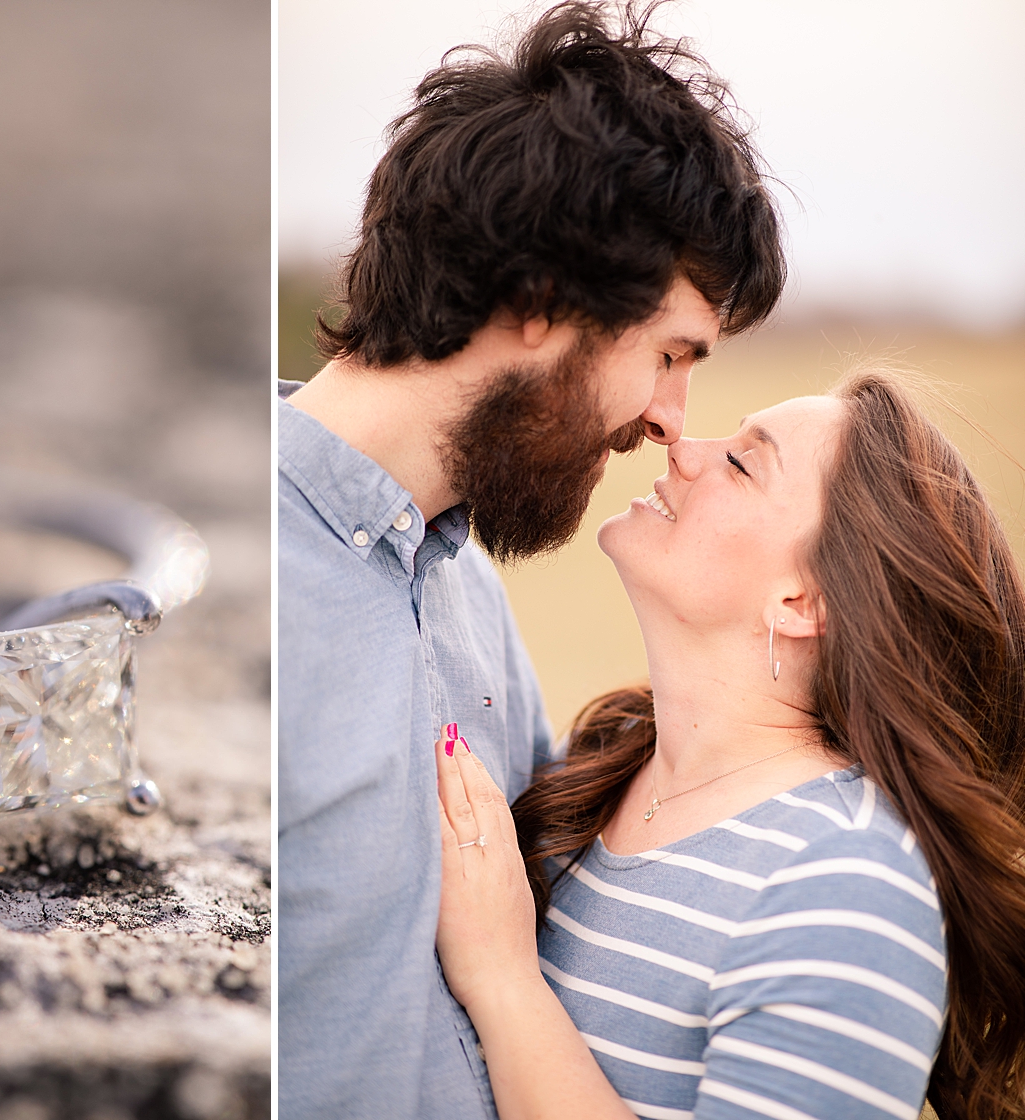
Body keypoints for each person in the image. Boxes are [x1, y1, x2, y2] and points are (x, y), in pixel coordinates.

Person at [279, 3, 784, 1117]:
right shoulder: (260, 572)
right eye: (669, 354)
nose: (670, 417)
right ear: (546, 300)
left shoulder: (465, 589)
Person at [434, 370, 1025, 1120]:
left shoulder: (847, 890)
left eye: (744, 462)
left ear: (801, 602)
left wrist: (501, 975)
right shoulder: (605, 759)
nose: (682, 445)